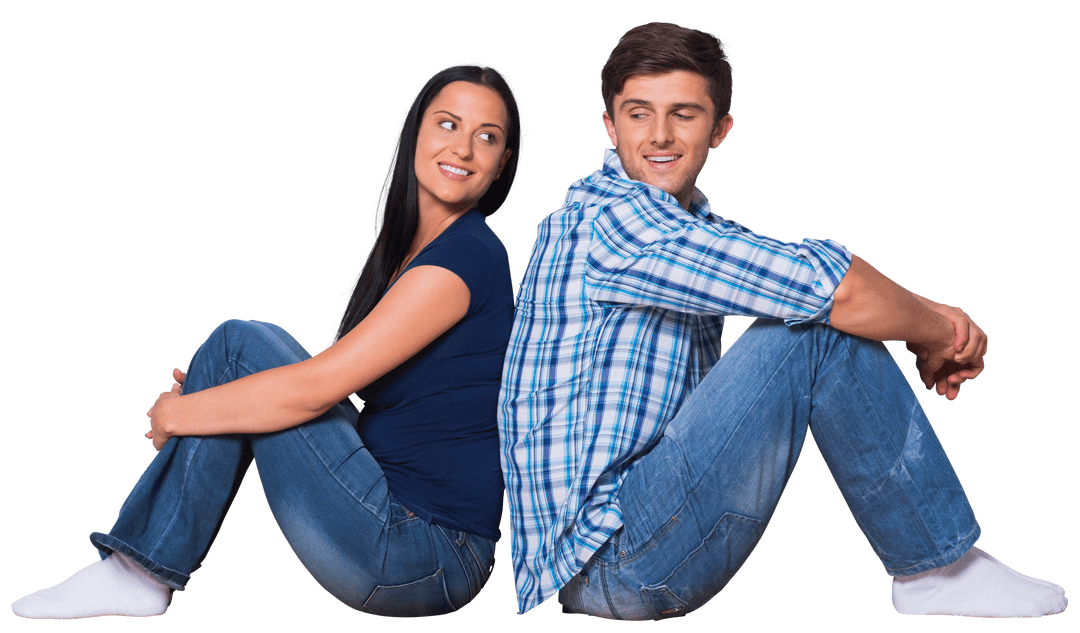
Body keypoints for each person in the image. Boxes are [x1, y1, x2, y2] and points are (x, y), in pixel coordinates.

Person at [498, 22, 1067, 620]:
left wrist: (924, 322)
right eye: (639, 114)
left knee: (816, 312)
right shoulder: (611, 220)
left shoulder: (693, 234)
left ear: (720, 129)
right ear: (610, 126)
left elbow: (825, 282)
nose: (659, 135)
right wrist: (940, 330)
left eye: (684, 115)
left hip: (647, 541)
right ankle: (936, 568)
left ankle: (940, 568)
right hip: (617, 558)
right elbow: (831, 288)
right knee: (812, 328)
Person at [12, 61, 524, 620]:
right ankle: (137, 573)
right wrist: (221, 404)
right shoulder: (412, 252)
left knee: (240, 350)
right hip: (398, 521)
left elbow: (316, 389)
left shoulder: (467, 258)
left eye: (487, 136)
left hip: (423, 554)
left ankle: (138, 572)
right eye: (448, 124)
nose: (465, 149)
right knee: (241, 363)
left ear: (502, 165)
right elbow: (337, 394)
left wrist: (182, 415)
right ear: (416, 133)